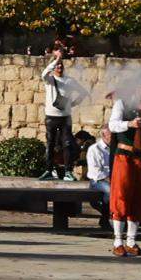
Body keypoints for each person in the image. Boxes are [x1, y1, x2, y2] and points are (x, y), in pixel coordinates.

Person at [99, 84, 141, 258]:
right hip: (125, 155)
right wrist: (130, 123)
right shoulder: (122, 103)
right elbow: (113, 125)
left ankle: (131, 241)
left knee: (140, 197)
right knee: (121, 195)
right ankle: (118, 241)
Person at [39, 44, 81, 183]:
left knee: (67, 144)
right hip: (51, 116)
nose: (60, 67)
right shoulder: (50, 80)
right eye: (58, 65)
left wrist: (73, 103)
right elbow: (44, 73)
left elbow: (83, 92)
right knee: (50, 143)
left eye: (61, 65)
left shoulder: (69, 81)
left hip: (65, 117)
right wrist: (57, 59)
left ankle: (68, 171)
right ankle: (48, 170)